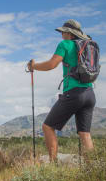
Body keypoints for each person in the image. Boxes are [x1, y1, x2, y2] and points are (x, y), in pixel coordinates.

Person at [28, 19, 96, 162]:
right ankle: (92, 169)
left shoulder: (65, 44)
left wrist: (34, 66)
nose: (61, 35)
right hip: (89, 93)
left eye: (63, 32)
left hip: (74, 93)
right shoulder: (86, 46)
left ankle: (53, 165)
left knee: (47, 127)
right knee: (85, 133)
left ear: (69, 33)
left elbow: (52, 64)